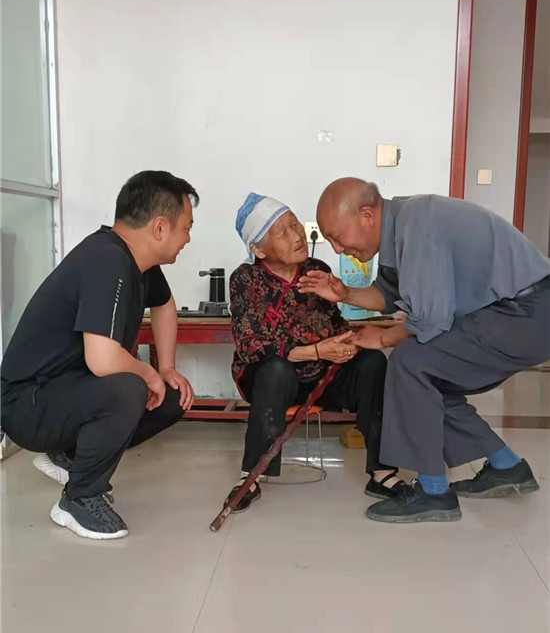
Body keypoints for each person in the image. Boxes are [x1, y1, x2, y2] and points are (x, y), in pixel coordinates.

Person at [299, 178, 550, 525]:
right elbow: (388, 295)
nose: (338, 250)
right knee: (429, 380)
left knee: (411, 362)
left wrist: (383, 339)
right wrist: (344, 294)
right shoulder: (401, 226)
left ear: (367, 216)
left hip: (526, 311)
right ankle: (506, 465)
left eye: (337, 237)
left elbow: (430, 319)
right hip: (515, 313)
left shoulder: (419, 223)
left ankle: (433, 492)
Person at [1, 171, 198, 540]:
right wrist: (150, 374)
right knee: (130, 388)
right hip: (27, 403)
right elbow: (103, 360)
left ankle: (71, 457)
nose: (188, 237)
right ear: (160, 227)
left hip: (67, 390)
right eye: (186, 227)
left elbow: (164, 305)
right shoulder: (106, 260)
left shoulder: (137, 262)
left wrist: (167, 368)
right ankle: (79, 498)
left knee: (172, 395)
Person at [225, 192, 402, 512]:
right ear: (259, 249)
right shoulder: (246, 279)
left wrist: (346, 343)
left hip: (322, 374)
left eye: (295, 224)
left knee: (373, 362)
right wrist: (318, 350)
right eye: (282, 231)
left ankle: (382, 472)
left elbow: (333, 323)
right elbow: (252, 345)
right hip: (273, 380)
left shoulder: (316, 269)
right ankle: (250, 477)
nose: (296, 235)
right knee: (275, 368)